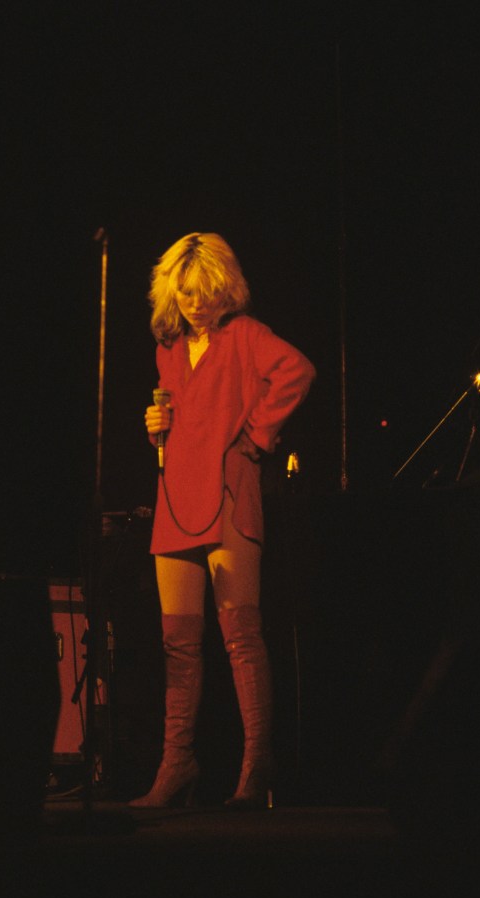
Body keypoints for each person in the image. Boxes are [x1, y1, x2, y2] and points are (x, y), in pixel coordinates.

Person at [128, 232, 316, 809]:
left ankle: (257, 762)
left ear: (223, 288)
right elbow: (180, 413)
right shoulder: (168, 348)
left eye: (205, 292)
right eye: (185, 293)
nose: (195, 303)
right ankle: (176, 763)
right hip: (176, 497)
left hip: (229, 494)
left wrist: (254, 438)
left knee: (240, 636)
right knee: (178, 645)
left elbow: (298, 371)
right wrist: (157, 423)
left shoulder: (244, 336)